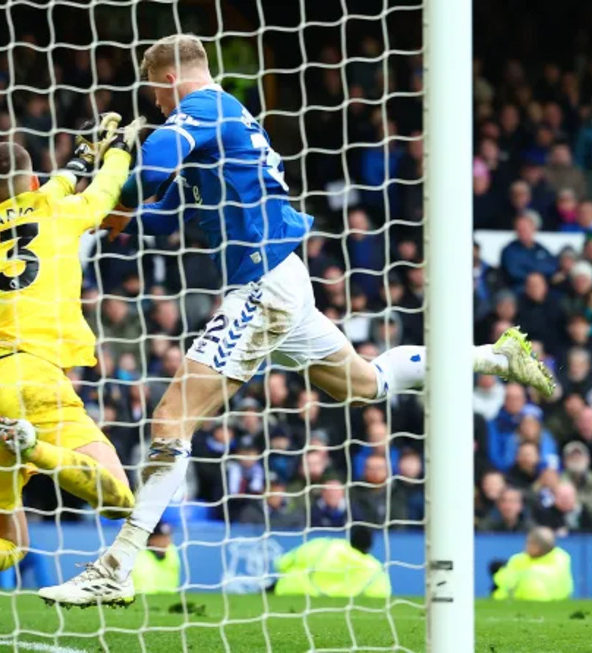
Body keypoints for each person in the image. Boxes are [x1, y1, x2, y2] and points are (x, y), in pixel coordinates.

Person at [36, 33, 555, 608]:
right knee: (365, 383)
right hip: (281, 277)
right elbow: (155, 201)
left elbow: (152, 172)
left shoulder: (201, 107)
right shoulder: (223, 119)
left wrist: (114, 162)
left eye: (156, 98)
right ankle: (495, 357)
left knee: (171, 418)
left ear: (167, 79)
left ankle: (116, 565)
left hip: (262, 282)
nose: (157, 109)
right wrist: (116, 202)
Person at [0, 116, 146, 631]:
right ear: (33, 182)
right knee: (120, 497)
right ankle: (31, 446)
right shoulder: (57, 213)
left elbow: (44, 190)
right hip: (34, 380)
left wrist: (79, 159)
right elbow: (102, 194)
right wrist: (118, 154)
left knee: (8, 544)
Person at [273, 526, 390, 598]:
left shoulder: (324, 545)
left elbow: (282, 563)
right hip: (343, 609)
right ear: (370, 547)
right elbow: (382, 594)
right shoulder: (374, 569)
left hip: (291, 592)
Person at [491, 527, 574, 601]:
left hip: (527, 600)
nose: (525, 546)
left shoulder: (529, 571)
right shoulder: (563, 557)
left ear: (537, 547)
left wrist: (499, 574)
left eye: (529, 543)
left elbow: (507, 583)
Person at [130, 521, 181, 594]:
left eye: (168, 537)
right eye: (161, 538)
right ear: (151, 539)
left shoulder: (172, 552)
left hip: (169, 599)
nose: (167, 542)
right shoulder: (138, 558)